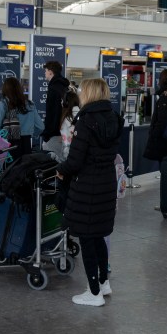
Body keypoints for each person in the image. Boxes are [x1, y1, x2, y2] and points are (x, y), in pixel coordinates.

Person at [57, 78, 123, 306]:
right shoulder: (113, 118)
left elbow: (75, 160)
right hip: (106, 183)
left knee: (87, 238)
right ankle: (104, 283)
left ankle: (93, 292)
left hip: (87, 186)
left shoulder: (85, 121)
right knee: (98, 237)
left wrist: (61, 170)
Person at [0, 77, 44, 157]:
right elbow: (41, 127)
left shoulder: (4, 103)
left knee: (10, 168)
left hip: (9, 144)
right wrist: (30, 133)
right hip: (26, 144)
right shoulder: (30, 104)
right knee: (24, 167)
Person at [45, 89, 80, 163]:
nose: (61, 102)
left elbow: (67, 143)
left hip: (70, 157)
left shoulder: (67, 119)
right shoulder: (82, 114)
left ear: (66, 102)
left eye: (62, 100)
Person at [41, 61, 70, 142]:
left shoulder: (53, 88)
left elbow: (52, 111)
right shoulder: (63, 86)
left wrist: (48, 132)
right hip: (63, 127)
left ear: (50, 72)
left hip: (55, 132)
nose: (45, 73)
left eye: (45, 71)